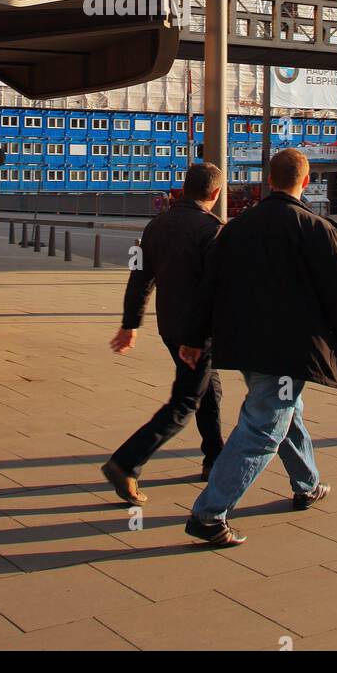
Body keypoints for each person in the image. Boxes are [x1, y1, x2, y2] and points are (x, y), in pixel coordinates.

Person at [180, 148, 337, 548]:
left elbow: (208, 288)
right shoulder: (316, 228)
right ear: (304, 182)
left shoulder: (234, 228)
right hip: (287, 349)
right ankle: (210, 514)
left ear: (269, 180)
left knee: (287, 410)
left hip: (246, 345)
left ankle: (308, 483)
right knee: (266, 426)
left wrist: (194, 339)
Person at [101, 162, 225, 508]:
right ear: (214, 194)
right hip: (196, 333)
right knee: (186, 400)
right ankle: (126, 462)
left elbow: (139, 279)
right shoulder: (211, 230)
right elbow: (216, 289)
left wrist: (131, 325)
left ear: (183, 189)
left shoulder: (155, 226)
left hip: (170, 326)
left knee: (208, 388)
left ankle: (214, 457)